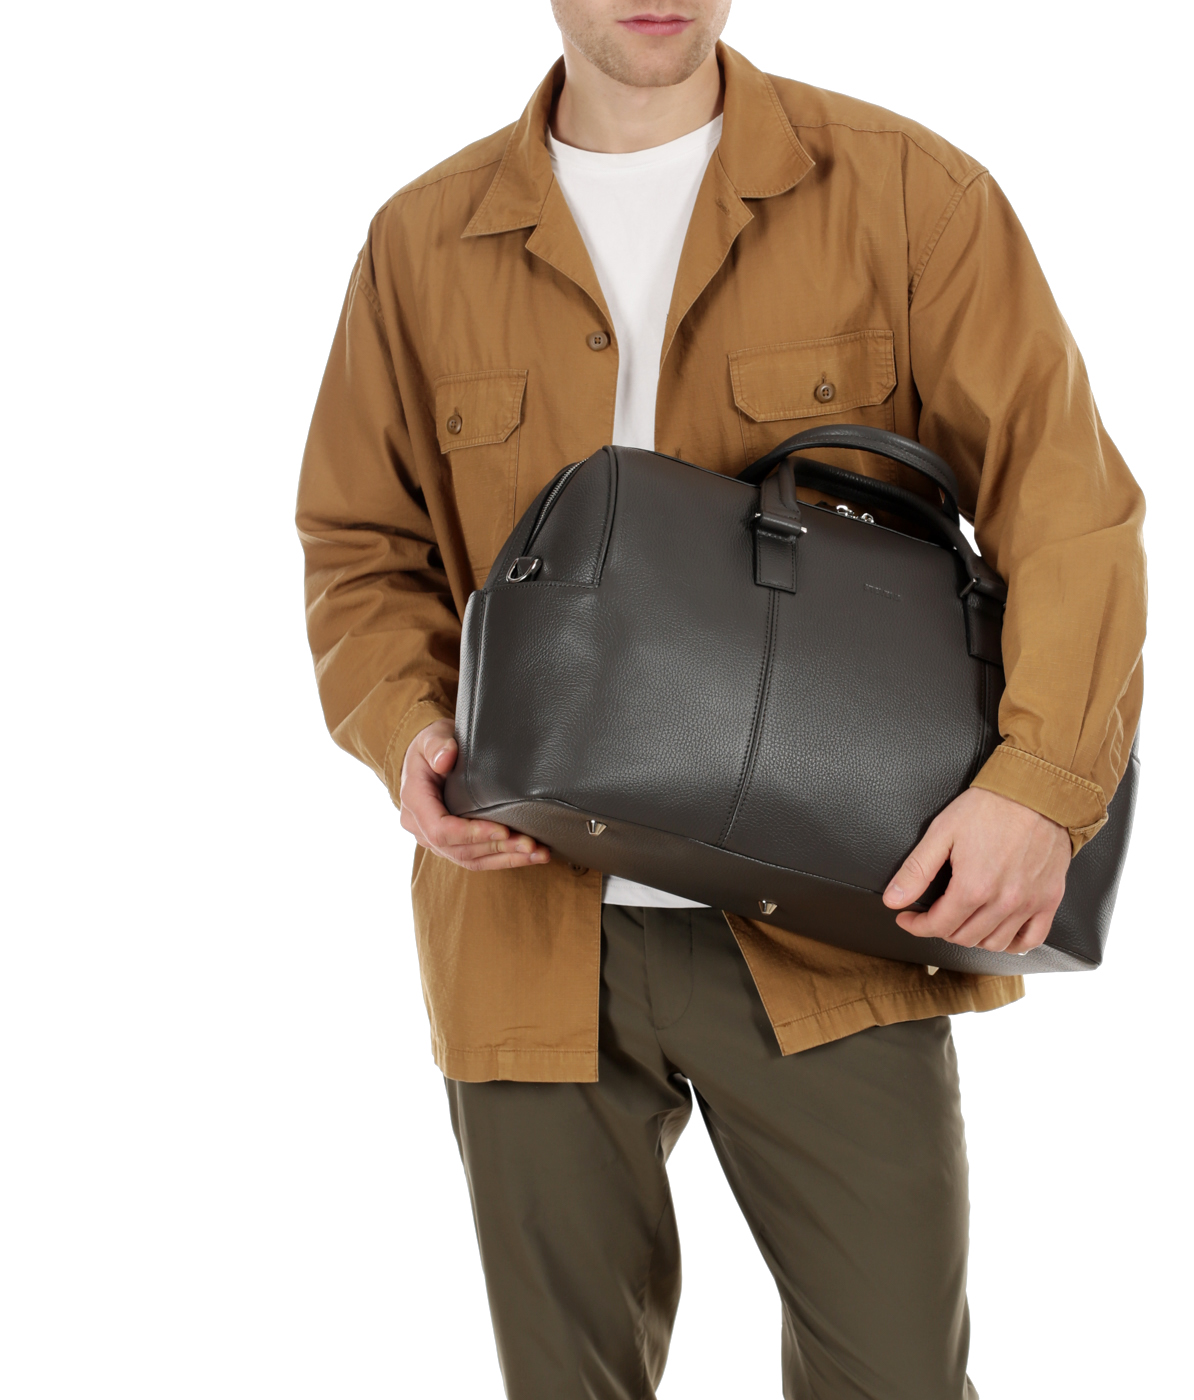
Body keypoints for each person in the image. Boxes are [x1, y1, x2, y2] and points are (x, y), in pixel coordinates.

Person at [297, 4, 1146, 1395]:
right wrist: (410, 731)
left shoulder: (910, 194)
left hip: (837, 916)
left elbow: (1070, 512)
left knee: (895, 1379)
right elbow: (359, 548)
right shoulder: (419, 243)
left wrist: (1037, 790)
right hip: (526, 923)